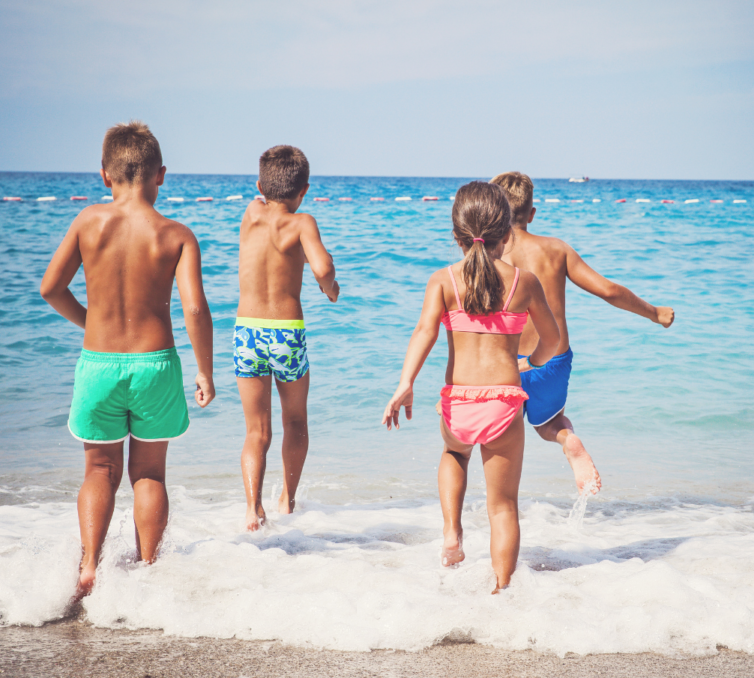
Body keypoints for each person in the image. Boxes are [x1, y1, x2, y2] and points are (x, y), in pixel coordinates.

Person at [40, 121, 215, 597]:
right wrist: (204, 370)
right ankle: (149, 570)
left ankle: (89, 567)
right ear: (161, 174)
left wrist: (90, 322)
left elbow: (51, 288)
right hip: (155, 364)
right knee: (149, 473)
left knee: (99, 469)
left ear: (104, 174)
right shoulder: (176, 234)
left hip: (99, 362)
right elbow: (195, 308)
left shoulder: (88, 222)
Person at [383, 181, 560, 593]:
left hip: (459, 401)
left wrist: (405, 383)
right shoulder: (524, 282)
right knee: (503, 507)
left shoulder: (443, 280)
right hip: (503, 402)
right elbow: (551, 340)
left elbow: (424, 332)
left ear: (456, 234)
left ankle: (452, 531)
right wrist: (531, 362)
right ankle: (502, 592)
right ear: (507, 234)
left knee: (454, 453)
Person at [490, 171, 675, 494]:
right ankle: (567, 439)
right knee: (549, 423)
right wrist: (654, 313)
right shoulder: (556, 249)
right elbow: (608, 290)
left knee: (503, 435)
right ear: (532, 214)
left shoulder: (489, 257)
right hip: (552, 360)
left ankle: (498, 506)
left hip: (505, 364)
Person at [235, 145, 339, 529]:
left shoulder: (251, 213)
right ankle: (287, 501)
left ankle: (252, 507)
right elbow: (322, 267)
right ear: (304, 190)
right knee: (295, 420)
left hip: (247, 330)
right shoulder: (302, 223)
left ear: (260, 186)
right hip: (286, 333)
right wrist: (330, 289)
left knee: (256, 430)